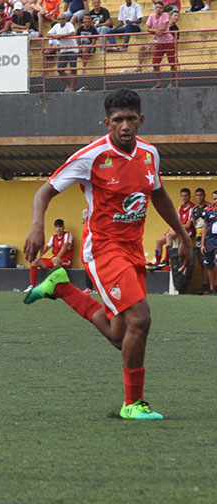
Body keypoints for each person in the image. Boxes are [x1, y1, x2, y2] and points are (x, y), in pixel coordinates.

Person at [23, 88, 190, 420]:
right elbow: (45, 190)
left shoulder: (149, 155)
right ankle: (133, 404)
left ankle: (61, 287)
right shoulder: (93, 156)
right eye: (117, 120)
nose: (125, 125)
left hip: (133, 250)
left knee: (120, 334)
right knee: (140, 320)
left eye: (131, 119)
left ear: (140, 120)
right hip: (103, 249)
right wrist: (37, 227)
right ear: (107, 122)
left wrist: (183, 234)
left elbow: (158, 196)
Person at [25, 218, 72, 292]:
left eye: (60, 227)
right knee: (34, 261)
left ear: (63, 227)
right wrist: (38, 256)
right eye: (57, 227)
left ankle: (55, 287)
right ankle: (32, 286)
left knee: (55, 261)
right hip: (54, 259)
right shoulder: (53, 237)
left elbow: (65, 246)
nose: (58, 229)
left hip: (65, 260)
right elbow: (47, 247)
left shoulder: (68, 235)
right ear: (54, 228)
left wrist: (58, 257)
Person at [150, 187, 192, 269]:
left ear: (189, 196)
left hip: (186, 231)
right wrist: (173, 227)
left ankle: (166, 260)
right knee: (159, 241)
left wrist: (175, 227)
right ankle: (157, 262)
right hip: (178, 229)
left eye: (186, 196)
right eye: (182, 196)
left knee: (169, 235)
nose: (184, 198)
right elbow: (178, 221)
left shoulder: (192, 208)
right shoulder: (181, 207)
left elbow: (187, 225)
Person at [146, 1, 176, 89]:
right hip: (159, 42)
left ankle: (171, 83)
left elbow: (163, 28)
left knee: (172, 63)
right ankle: (159, 83)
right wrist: (156, 31)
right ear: (155, 8)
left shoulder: (165, 15)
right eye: (157, 7)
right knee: (155, 63)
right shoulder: (151, 16)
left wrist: (154, 31)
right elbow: (147, 28)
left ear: (163, 9)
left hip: (168, 42)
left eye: (160, 7)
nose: (159, 9)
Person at [191, 187, 213, 294]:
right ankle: (204, 286)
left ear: (204, 196)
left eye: (200, 195)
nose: (199, 197)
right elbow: (194, 224)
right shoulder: (194, 209)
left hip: (209, 238)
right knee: (201, 262)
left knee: (209, 263)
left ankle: (210, 286)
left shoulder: (209, 207)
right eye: (197, 195)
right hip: (199, 239)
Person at [201, 205, 217, 294]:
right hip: (210, 241)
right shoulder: (209, 211)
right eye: (215, 199)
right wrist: (203, 244)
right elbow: (205, 227)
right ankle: (212, 288)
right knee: (209, 265)